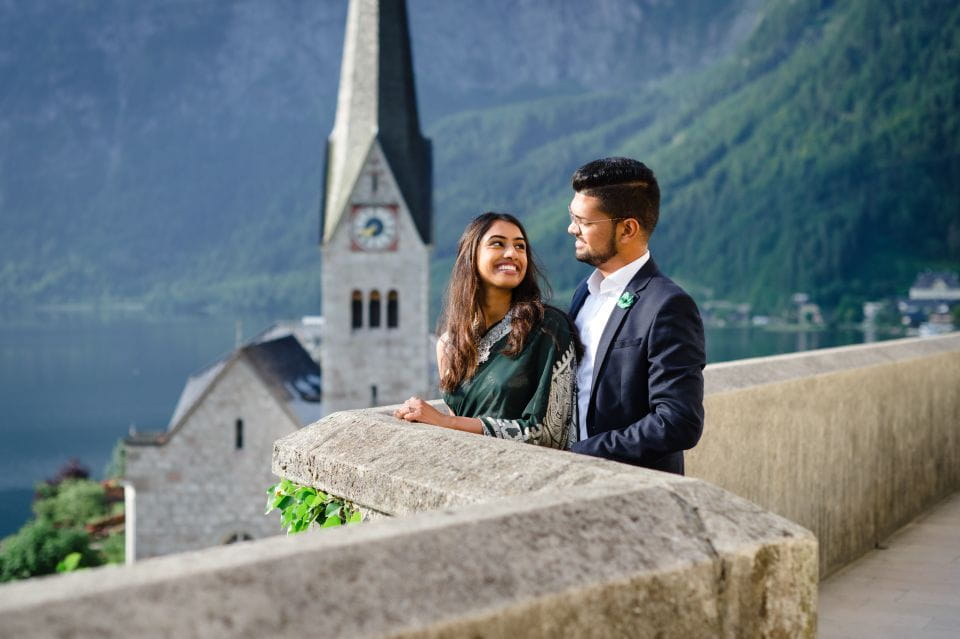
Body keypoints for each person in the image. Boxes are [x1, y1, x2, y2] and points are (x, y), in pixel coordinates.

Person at [567, 157, 705, 474]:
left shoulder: (668, 305)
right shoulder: (583, 293)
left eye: (584, 221)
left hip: (629, 490)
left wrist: (581, 452)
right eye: (572, 217)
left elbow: (678, 421)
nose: (572, 228)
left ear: (628, 228)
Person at [394, 212, 579, 449]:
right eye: (498, 244)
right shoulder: (450, 344)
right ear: (470, 256)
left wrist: (445, 422)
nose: (512, 253)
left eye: (520, 246)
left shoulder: (547, 327)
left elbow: (550, 433)